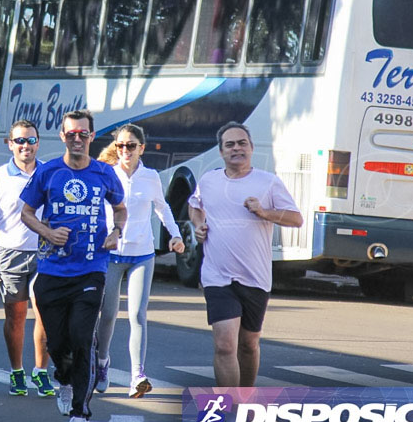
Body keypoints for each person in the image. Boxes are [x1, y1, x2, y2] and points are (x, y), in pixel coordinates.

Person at [20, 110, 126, 422]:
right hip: (52, 271)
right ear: (63, 137)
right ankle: (63, 378)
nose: (77, 139)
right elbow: (26, 212)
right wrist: (47, 233)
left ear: (93, 137)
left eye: (83, 134)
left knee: (82, 339)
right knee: (58, 344)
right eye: (70, 135)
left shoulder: (105, 173)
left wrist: (117, 232)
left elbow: (120, 208)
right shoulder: (49, 172)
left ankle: (81, 412)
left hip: (91, 269)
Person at [187, 121, 303, 387]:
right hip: (217, 276)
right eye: (230, 145)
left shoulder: (268, 182)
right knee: (225, 346)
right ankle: (231, 408)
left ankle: (247, 397)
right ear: (221, 152)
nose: (236, 148)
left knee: (248, 344)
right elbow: (195, 205)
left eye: (241, 143)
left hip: (255, 277)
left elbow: (296, 219)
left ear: (251, 148)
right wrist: (198, 226)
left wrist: (264, 212)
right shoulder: (209, 180)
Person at [94, 124, 184, 398]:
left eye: (131, 146)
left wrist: (176, 235)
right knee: (108, 315)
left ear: (141, 148)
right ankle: (102, 363)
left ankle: (137, 376)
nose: (125, 151)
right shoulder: (108, 174)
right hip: (111, 253)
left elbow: (163, 207)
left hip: (142, 254)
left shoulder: (151, 177)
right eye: (120, 145)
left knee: (136, 315)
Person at [0, 120, 54, 398]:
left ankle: (42, 371)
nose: (26, 146)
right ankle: (16, 370)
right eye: (20, 141)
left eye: (31, 140)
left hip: (44, 253)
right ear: (9, 144)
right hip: (8, 254)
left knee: (44, 311)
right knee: (16, 315)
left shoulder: (49, 173)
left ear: (38, 143)